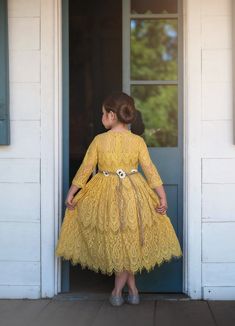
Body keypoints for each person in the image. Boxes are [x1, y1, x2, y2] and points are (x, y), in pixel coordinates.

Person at [55, 91, 183, 306]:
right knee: (127, 241)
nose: (101, 117)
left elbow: (86, 169)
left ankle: (117, 291)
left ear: (112, 115)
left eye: (103, 114)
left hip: (105, 194)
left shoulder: (99, 140)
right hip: (134, 192)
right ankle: (132, 289)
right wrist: (162, 197)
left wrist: (71, 193)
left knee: (123, 241)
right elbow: (150, 170)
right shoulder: (137, 141)